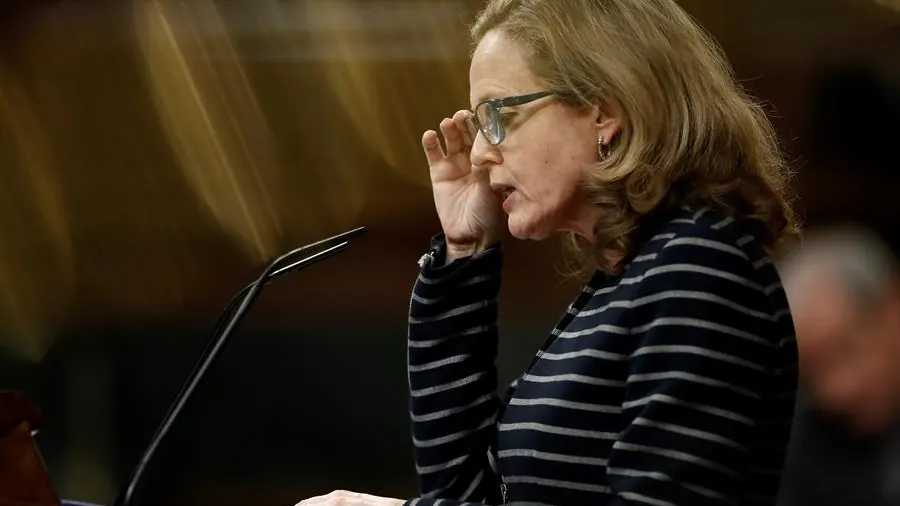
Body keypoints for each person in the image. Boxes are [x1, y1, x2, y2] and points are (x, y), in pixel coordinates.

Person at [297, 0, 799, 504]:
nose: (477, 152)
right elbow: (470, 495)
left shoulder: (698, 267)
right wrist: (464, 254)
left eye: (498, 115)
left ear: (604, 113)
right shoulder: (635, 273)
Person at [777, 225, 900, 506]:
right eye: (812, 376)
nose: (836, 393)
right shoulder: (800, 446)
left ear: (893, 312)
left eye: (843, 352)